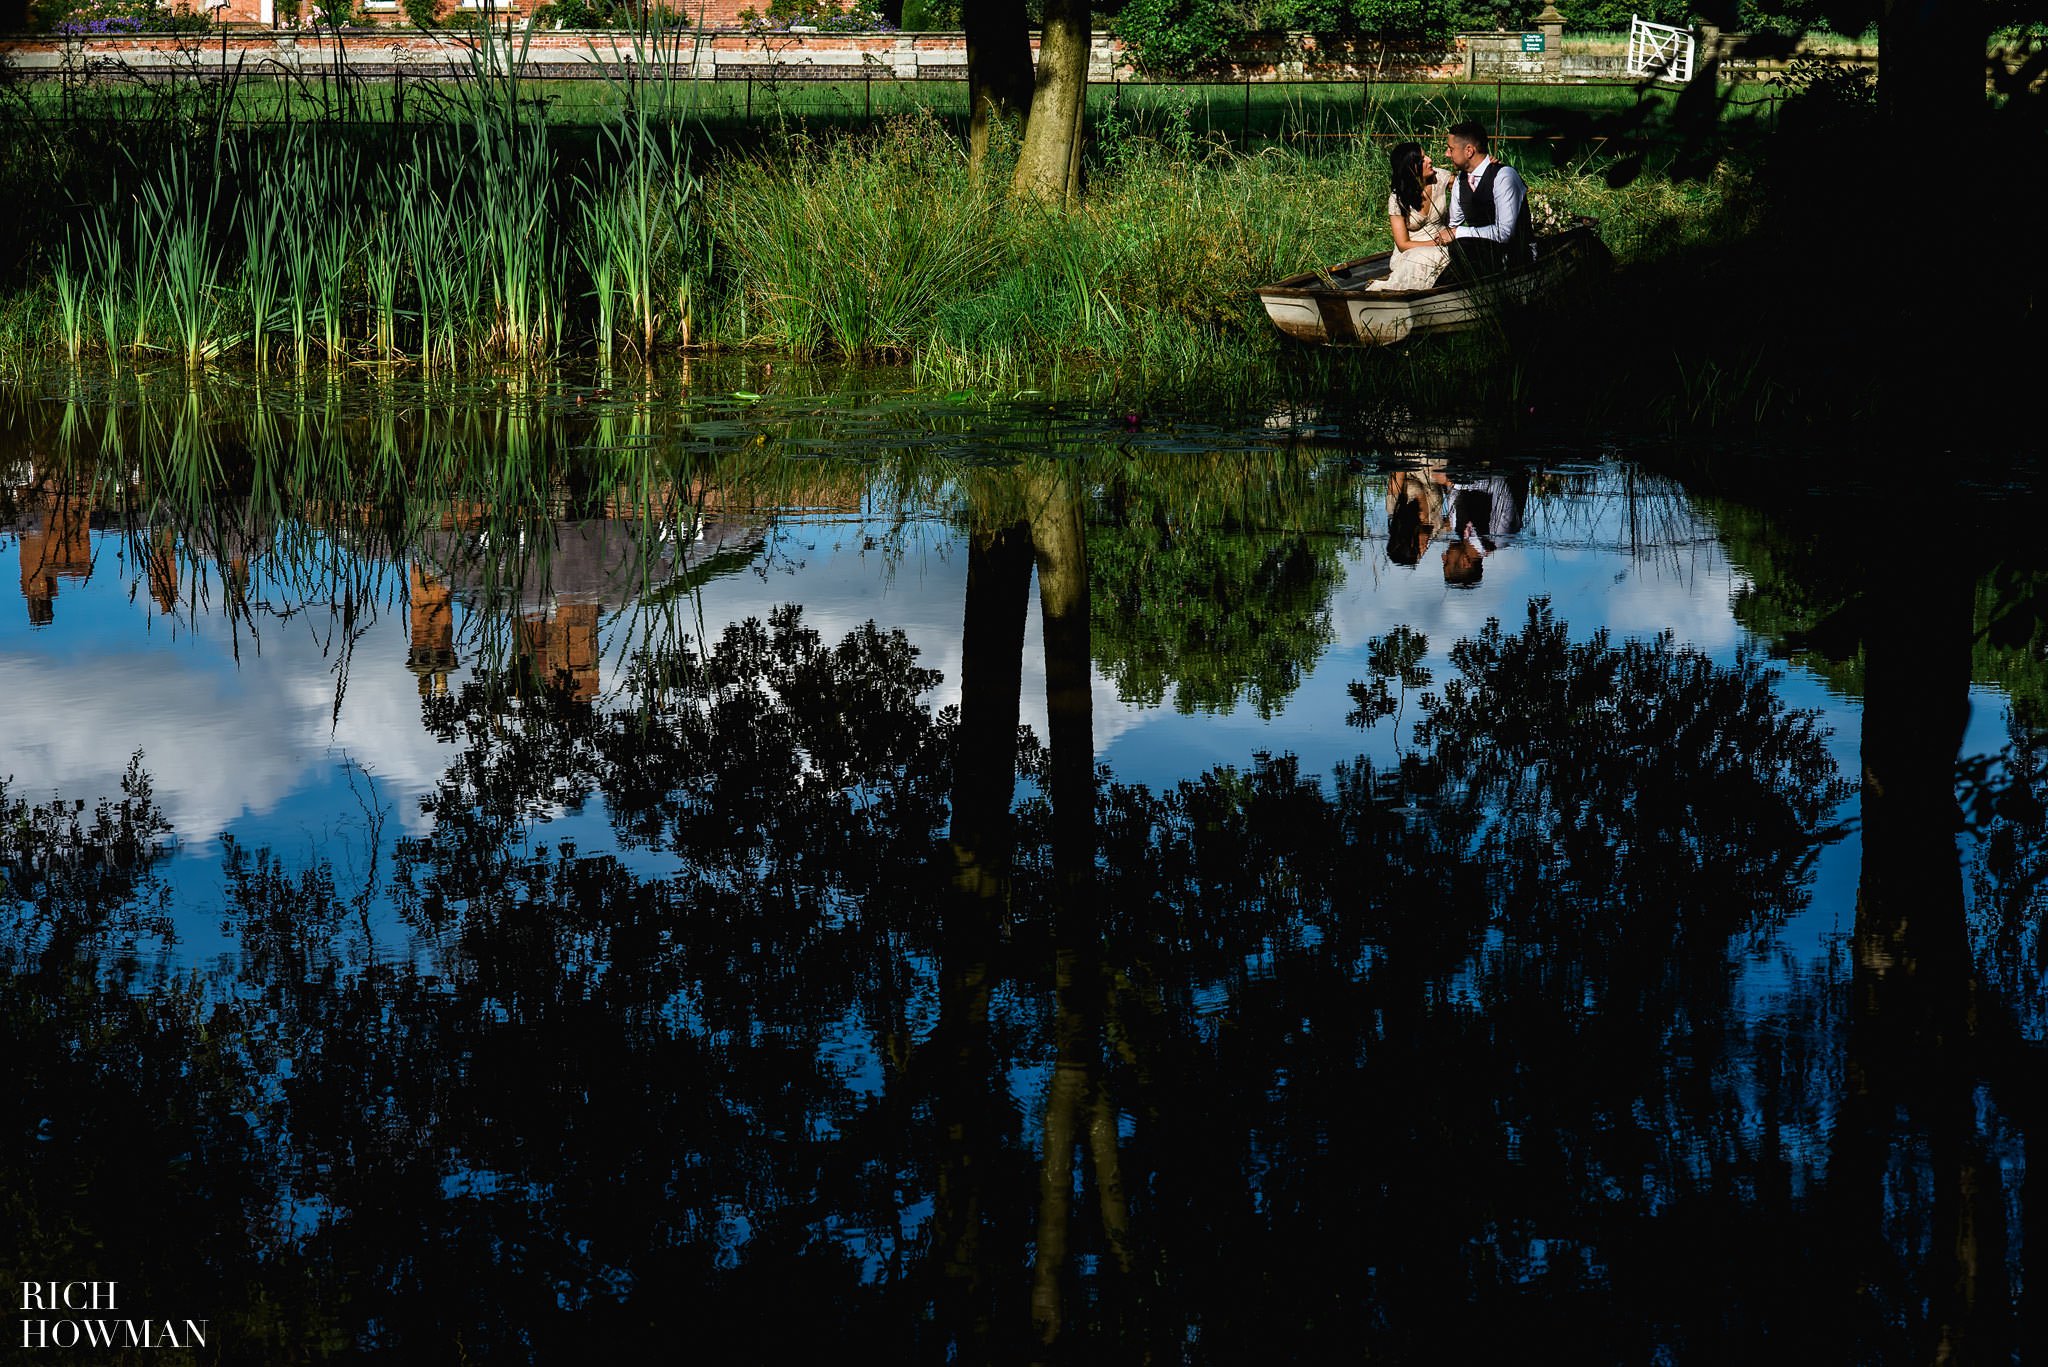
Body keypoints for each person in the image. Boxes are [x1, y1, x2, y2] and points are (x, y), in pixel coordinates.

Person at [1432, 121, 1536, 287]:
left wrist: (1459, 232)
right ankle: (1437, 292)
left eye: (1451, 149)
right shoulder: (1461, 180)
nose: (1446, 154)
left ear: (1469, 151)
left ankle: (1439, 295)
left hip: (1516, 254)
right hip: (1480, 255)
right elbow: (1453, 225)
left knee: (1462, 246)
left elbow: (1504, 233)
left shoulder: (1504, 177)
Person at [1368, 142, 1455, 292]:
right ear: (1410, 167)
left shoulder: (1440, 177)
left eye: (1426, 155)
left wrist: (1488, 165)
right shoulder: (1398, 199)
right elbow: (1403, 244)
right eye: (1422, 159)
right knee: (1421, 258)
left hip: (1444, 248)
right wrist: (1438, 242)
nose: (1429, 160)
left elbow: (1472, 183)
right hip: (1411, 253)